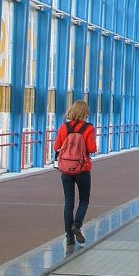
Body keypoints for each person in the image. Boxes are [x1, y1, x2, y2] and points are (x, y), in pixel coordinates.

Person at [54, 100, 97, 245]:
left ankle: (69, 237)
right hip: (82, 168)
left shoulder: (64, 127)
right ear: (85, 113)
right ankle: (76, 225)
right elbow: (91, 148)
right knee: (84, 199)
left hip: (66, 169)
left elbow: (57, 146)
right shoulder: (88, 128)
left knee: (68, 202)